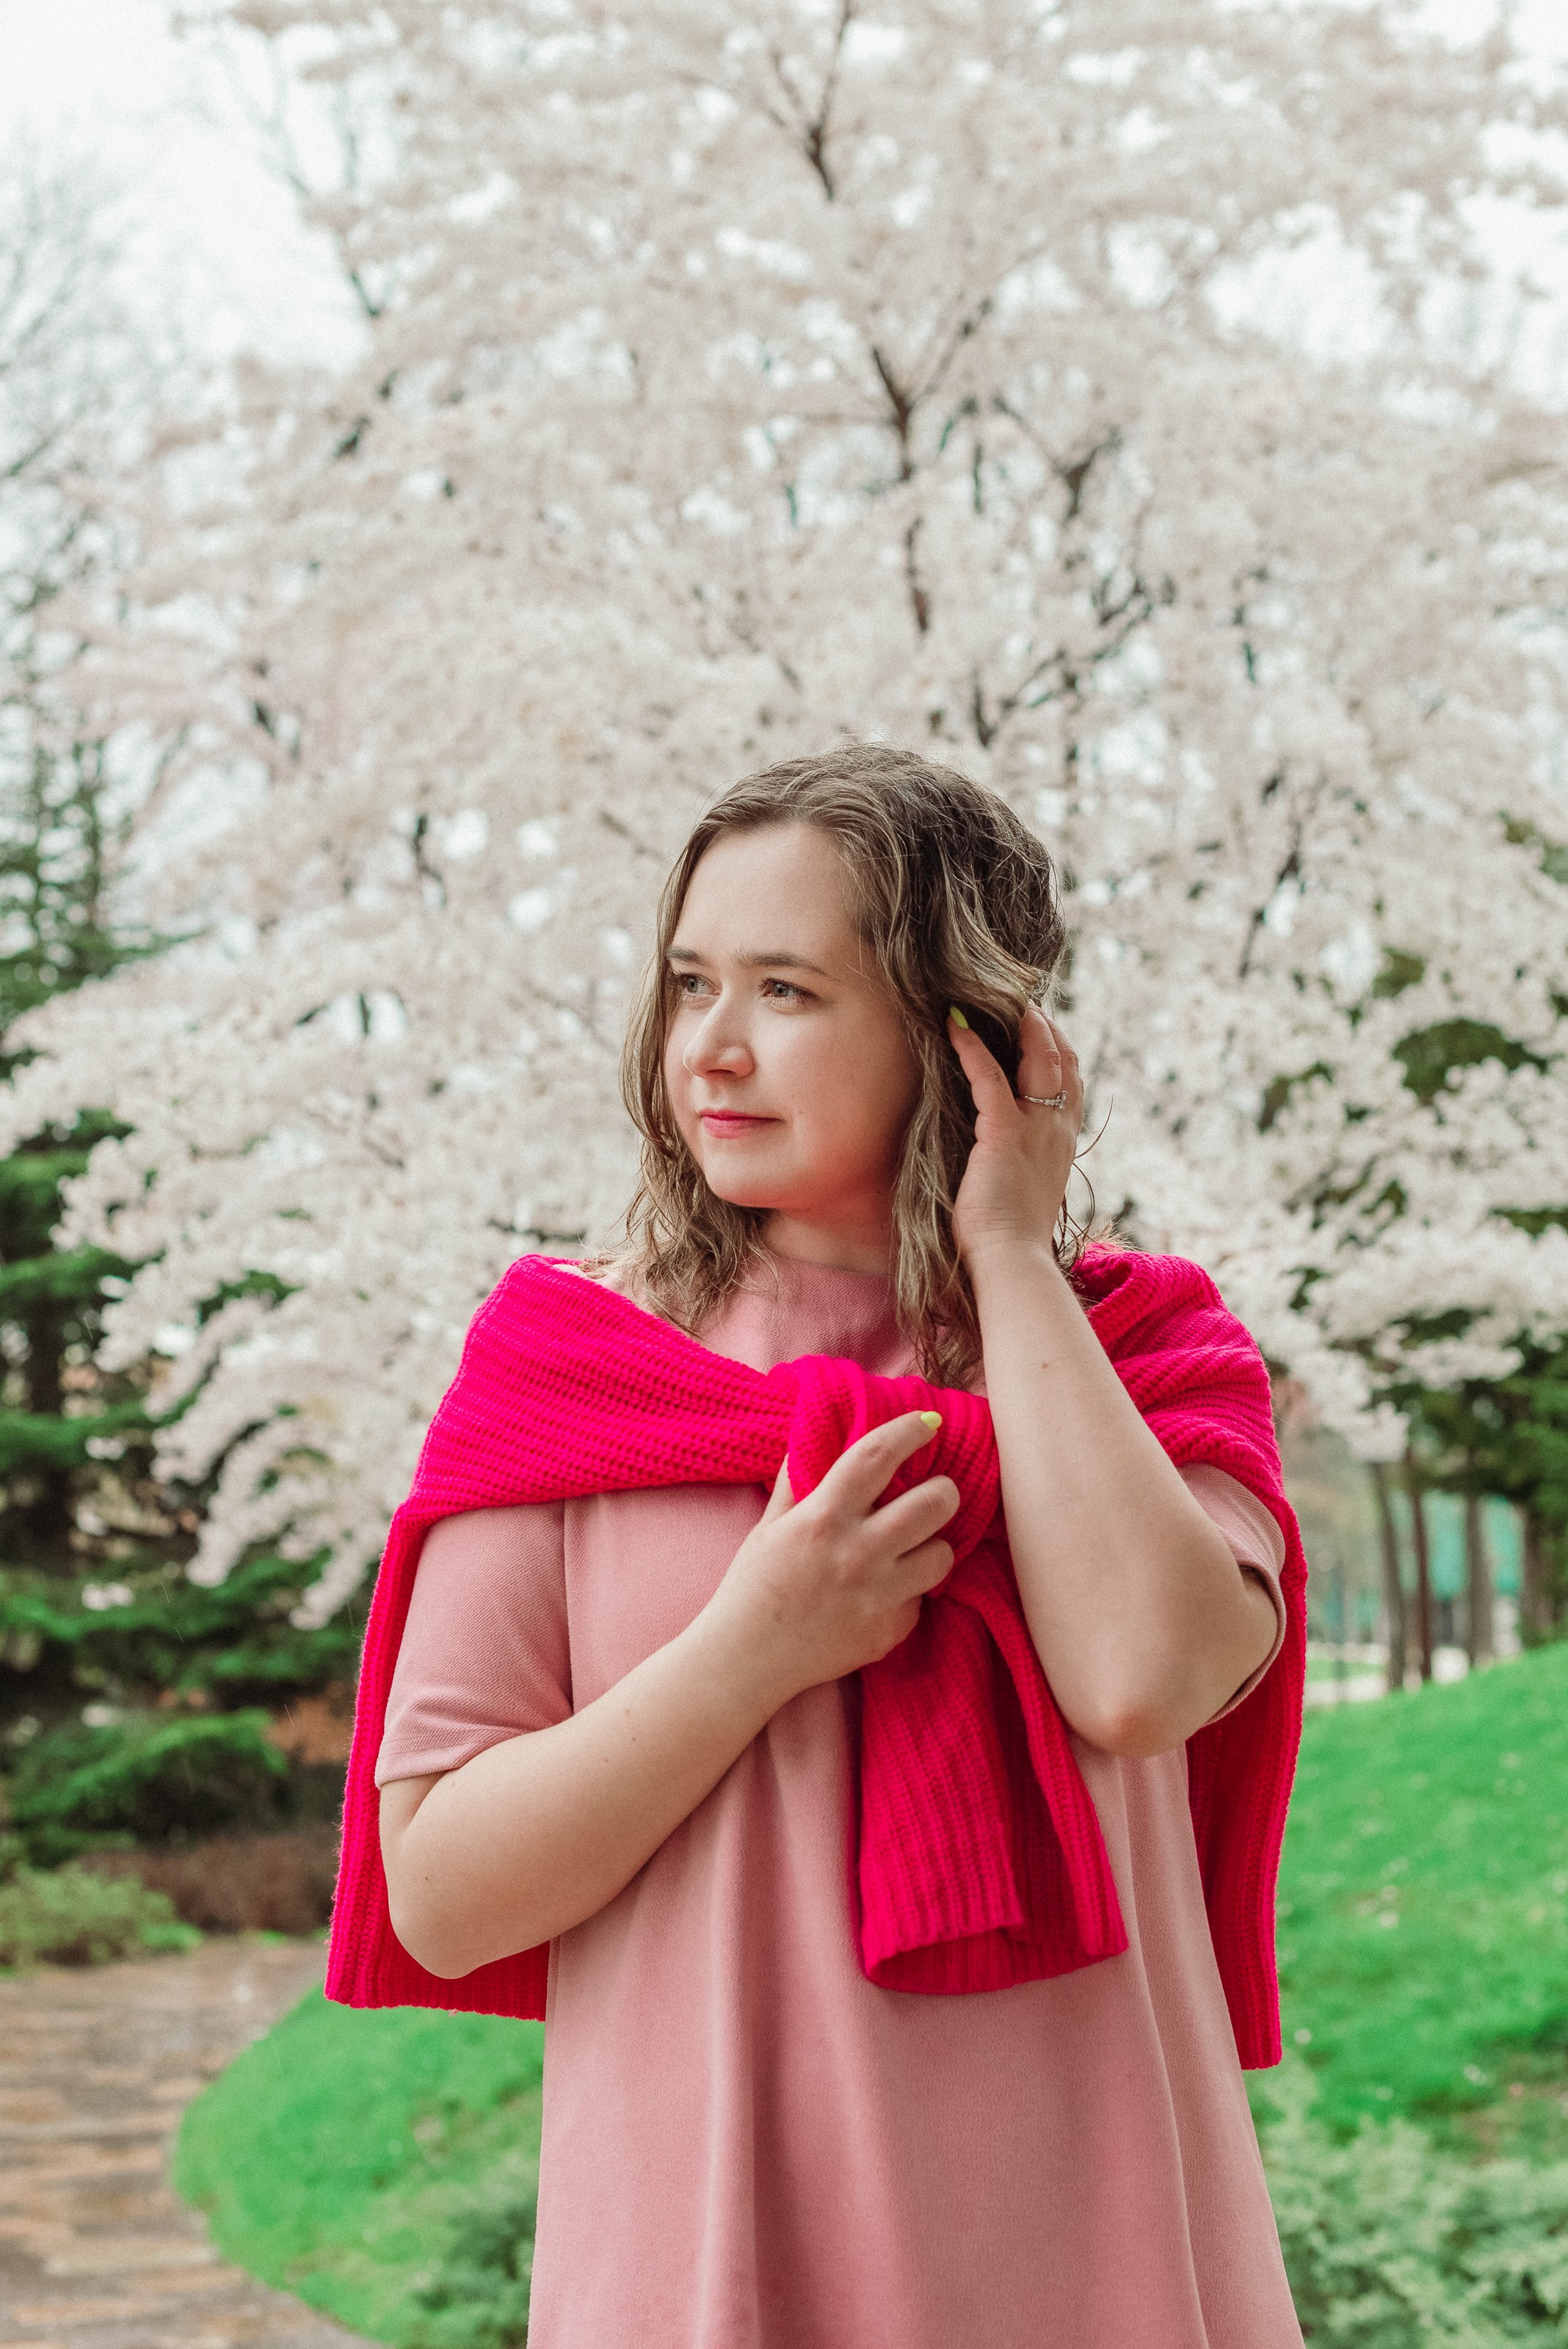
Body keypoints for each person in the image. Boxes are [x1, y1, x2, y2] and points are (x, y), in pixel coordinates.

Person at [339, 746, 1306, 2348]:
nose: (710, 1048)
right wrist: (755, 1646)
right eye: (689, 983)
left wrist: (1006, 1251)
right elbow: (439, 1888)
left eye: (785, 988)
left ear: (969, 1032)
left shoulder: (1147, 1359)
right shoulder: (574, 1374)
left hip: (1105, 2256)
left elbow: (1147, 1678)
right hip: (709, 2259)